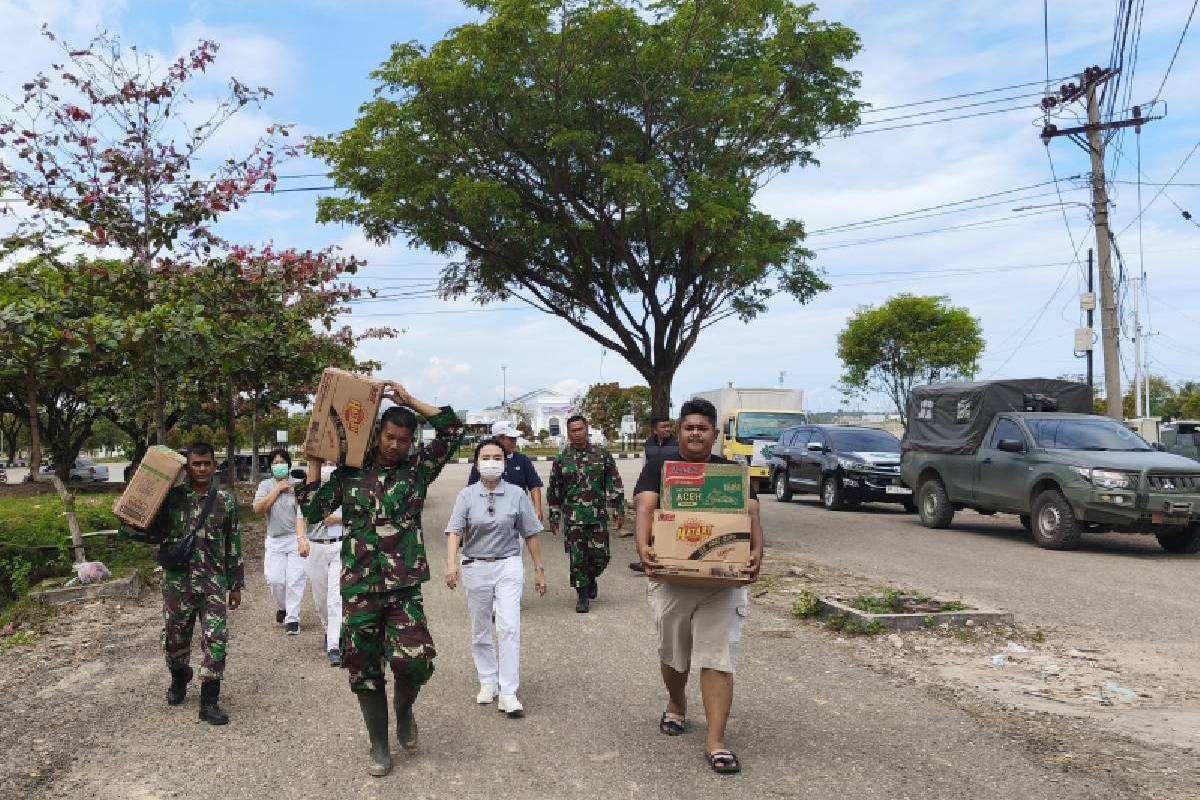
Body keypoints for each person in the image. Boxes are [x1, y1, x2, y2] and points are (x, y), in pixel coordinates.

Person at [298, 383, 464, 778]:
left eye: (403, 440)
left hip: (403, 586)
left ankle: (404, 712)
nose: (394, 445)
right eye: (389, 436)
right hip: (359, 587)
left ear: (411, 443)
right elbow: (315, 508)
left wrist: (409, 402)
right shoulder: (351, 472)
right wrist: (317, 466)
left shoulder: (419, 470)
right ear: (377, 434)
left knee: (416, 662)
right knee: (364, 667)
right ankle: (379, 743)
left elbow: (454, 430)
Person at [633, 397, 764, 775]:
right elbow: (645, 507)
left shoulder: (732, 473)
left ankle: (716, 742)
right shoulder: (660, 467)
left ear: (715, 434)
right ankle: (676, 703)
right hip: (671, 578)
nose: (695, 434)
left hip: (721, 583)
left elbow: (752, 515)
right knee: (673, 654)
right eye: (689, 427)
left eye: (703, 428)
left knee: (718, 658)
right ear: (679, 432)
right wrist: (644, 546)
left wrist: (757, 552)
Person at [118, 442, 243, 725]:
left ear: (214, 465)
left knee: (216, 641)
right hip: (178, 584)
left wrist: (236, 585)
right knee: (175, 641)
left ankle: (209, 702)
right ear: (187, 466)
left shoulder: (225, 501)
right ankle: (179, 676)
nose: (201, 469)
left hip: (213, 583)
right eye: (195, 464)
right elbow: (141, 530)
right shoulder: (172, 499)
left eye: (206, 463)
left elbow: (232, 544)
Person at [445, 439, 547, 718]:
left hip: (508, 565)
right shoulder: (466, 495)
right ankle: (487, 680)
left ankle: (508, 691)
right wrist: (451, 564)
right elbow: (455, 531)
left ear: (504, 463)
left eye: (497, 457)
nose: (491, 462)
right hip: (475, 566)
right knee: (480, 629)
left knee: (509, 626)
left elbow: (530, 533)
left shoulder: (516, 494)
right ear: (477, 463)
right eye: (486, 457)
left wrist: (539, 570)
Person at [546, 414, 625, 613]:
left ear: (587, 429)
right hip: (573, 518)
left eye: (580, 429)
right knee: (577, 557)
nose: (577, 433)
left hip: (597, 516)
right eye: (573, 430)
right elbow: (555, 489)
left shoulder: (602, 454)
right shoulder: (562, 459)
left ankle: (590, 578)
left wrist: (618, 508)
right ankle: (582, 595)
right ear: (568, 433)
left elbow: (614, 482)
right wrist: (554, 514)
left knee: (601, 556)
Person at [253, 449, 307, 635]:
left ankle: (292, 618)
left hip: (295, 539)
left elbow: (307, 510)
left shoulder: (298, 485)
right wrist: (277, 490)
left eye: (282, 461)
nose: (279, 465)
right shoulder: (265, 485)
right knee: (275, 579)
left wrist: (294, 489)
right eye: (275, 462)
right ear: (270, 466)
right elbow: (258, 509)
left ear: (289, 464)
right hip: (275, 540)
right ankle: (282, 607)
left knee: (294, 580)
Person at [297, 463, 344, 667]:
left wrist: (340, 519)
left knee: (336, 597)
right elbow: (301, 519)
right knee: (321, 598)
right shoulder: (309, 495)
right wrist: (301, 540)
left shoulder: (345, 490)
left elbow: (361, 516)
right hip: (315, 548)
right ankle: (328, 629)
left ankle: (335, 644)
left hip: (340, 547)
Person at [467, 420, 545, 521]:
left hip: (519, 515)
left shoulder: (522, 460)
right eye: (511, 438)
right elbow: (472, 490)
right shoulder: (484, 461)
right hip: (489, 516)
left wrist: (538, 509)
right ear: (499, 439)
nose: (514, 441)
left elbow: (534, 485)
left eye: (515, 438)